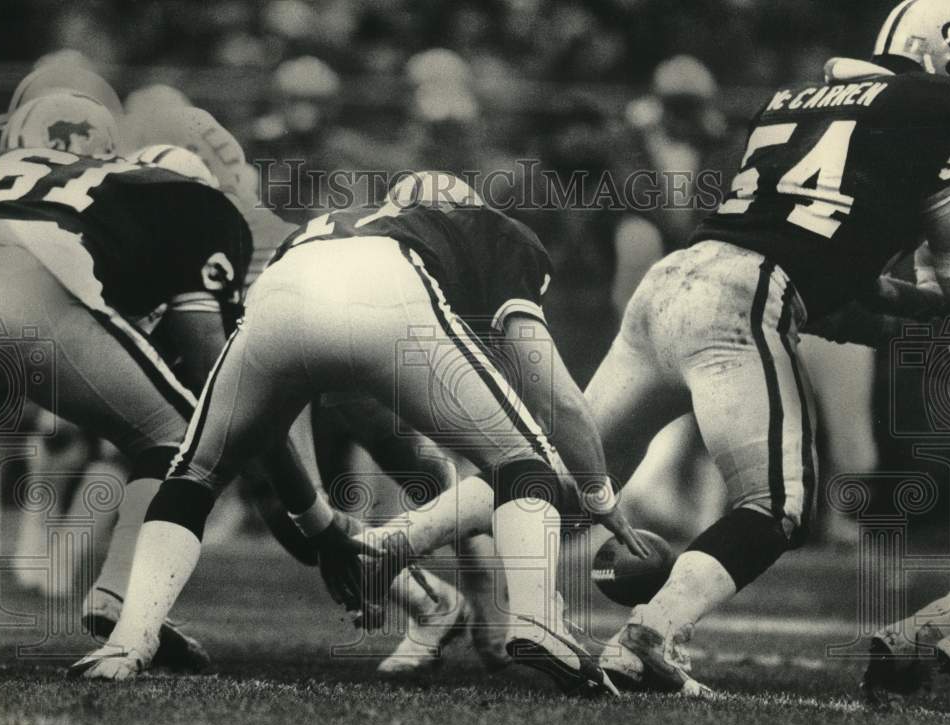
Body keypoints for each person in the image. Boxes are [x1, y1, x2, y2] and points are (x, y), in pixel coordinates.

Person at [70, 171, 647, 696]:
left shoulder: (329, 227)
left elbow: (335, 395)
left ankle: (129, 640)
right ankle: (537, 621)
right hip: (388, 294)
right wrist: (600, 493)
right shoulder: (484, 229)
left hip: (277, 299)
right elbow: (552, 390)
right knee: (526, 466)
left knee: (194, 474)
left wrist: (317, 522)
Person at [590, 0, 950, 694]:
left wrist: (914, 315)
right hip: (749, 297)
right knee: (775, 506)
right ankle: (653, 629)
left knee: (564, 472)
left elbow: (835, 280)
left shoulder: (797, 97)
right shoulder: (940, 106)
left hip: (678, 280)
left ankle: (414, 558)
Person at [0, 92, 252, 671]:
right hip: (30, 288)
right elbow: (214, 363)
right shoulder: (169, 193)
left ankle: (75, 572)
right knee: (182, 442)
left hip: (12, 266)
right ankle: (122, 599)